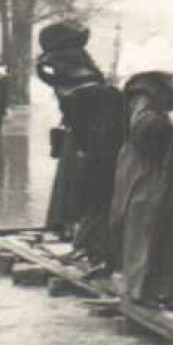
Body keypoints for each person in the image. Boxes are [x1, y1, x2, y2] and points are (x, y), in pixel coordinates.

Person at [35, 21, 124, 270]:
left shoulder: (51, 64)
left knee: (78, 190)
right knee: (93, 192)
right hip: (91, 137)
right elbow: (88, 91)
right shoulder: (74, 63)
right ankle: (92, 245)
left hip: (78, 136)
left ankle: (80, 239)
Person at [110, 71, 173, 305]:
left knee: (145, 224)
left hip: (141, 163)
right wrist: (167, 121)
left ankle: (145, 287)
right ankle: (139, 289)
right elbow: (140, 126)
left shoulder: (143, 90)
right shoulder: (146, 92)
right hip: (143, 166)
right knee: (142, 223)